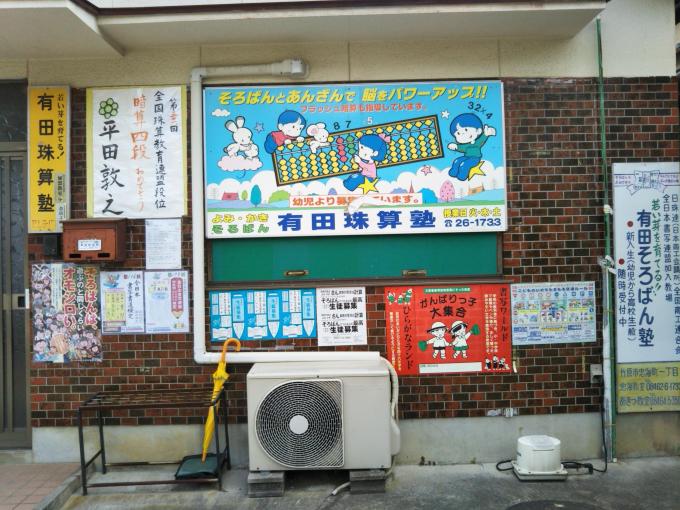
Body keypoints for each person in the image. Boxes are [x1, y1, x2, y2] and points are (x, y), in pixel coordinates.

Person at [447, 113, 495, 181]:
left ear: (478, 131)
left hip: (475, 158)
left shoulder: (477, 142)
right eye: (458, 133)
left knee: (464, 165)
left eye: (466, 130)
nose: (463, 134)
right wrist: (455, 147)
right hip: (467, 157)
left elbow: (482, 139)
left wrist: (486, 134)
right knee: (456, 161)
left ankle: (462, 176)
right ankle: (453, 173)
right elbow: (462, 148)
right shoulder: (465, 145)